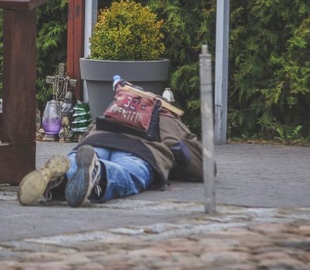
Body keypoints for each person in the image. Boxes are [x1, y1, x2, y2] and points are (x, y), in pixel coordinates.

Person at [18, 83, 205, 207]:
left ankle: (61, 177)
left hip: (98, 141)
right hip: (140, 152)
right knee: (128, 172)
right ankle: (99, 173)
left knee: (80, 157)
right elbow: (202, 166)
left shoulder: (114, 110)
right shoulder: (169, 120)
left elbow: (89, 131)